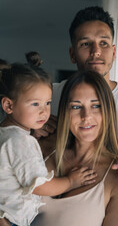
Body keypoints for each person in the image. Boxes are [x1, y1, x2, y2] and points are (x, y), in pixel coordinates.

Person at [38, 6, 118, 193]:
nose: (96, 51)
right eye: (85, 44)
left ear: (114, 52)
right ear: (72, 53)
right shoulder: (46, 97)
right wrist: (29, 129)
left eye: (104, 43)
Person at [32, 70, 118, 226]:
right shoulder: (41, 150)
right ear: (65, 112)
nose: (86, 116)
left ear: (107, 111)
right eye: (76, 107)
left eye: (95, 105)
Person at [0, 64, 97, 226]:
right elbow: (39, 186)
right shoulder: (22, 142)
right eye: (35, 104)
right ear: (8, 106)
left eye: (47, 103)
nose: (44, 112)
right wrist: (71, 181)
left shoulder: (5, 133)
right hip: (11, 220)